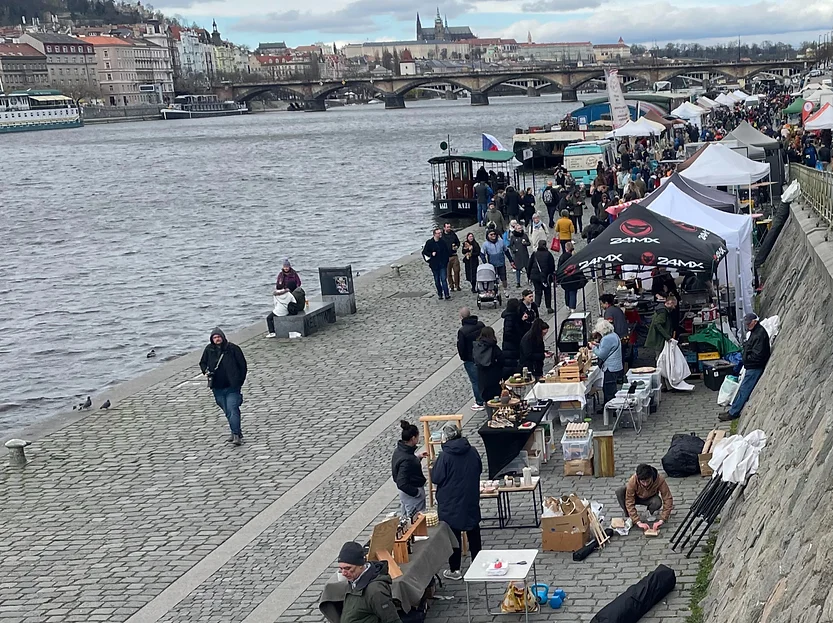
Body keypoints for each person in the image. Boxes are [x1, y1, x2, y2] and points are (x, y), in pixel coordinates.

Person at [432, 423, 483, 580]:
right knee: (473, 530)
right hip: (470, 497)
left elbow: (436, 478)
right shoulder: (472, 451)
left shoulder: (445, 456)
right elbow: (479, 469)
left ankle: (455, 569)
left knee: (453, 534)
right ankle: (478, 563)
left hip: (451, 501)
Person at [199, 328, 248, 446]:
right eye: (215, 337)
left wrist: (238, 381)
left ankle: (236, 435)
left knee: (232, 409)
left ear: (223, 337)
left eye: (219, 337)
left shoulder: (233, 349)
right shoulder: (208, 350)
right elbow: (203, 363)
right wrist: (206, 372)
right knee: (227, 410)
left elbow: (243, 366)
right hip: (217, 387)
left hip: (232, 386)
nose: (217, 339)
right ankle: (236, 431)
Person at [720, 313, 771, 421]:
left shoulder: (759, 334)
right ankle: (733, 410)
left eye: (748, 323)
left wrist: (747, 358)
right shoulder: (756, 332)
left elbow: (758, 355)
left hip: (754, 367)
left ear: (754, 322)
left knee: (744, 389)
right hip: (751, 365)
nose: (747, 325)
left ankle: (733, 413)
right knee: (742, 388)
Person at [337, 541, 400, 623]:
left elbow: (392, 620)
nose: (343, 573)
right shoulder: (354, 579)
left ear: (360, 565)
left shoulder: (375, 591)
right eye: (341, 569)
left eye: (348, 568)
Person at [616, 464, 674, 533]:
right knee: (620, 491)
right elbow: (629, 501)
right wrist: (638, 522)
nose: (645, 484)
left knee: (657, 502)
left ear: (651, 477)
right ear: (638, 479)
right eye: (643, 482)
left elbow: (667, 498)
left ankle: (650, 512)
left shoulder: (659, 479)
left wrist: (662, 520)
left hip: (650, 498)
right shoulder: (633, 480)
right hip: (636, 497)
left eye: (648, 481)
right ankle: (629, 516)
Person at [392, 420, 428, 518]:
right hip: (412, 493)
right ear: (413, 438)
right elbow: (402, 483)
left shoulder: (400, 450)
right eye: (418, 436)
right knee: (416, 522)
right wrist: (416, 493)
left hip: (406, 494)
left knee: (406, 518)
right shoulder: (407, 459)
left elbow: (406, 463)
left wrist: (418, 457)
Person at [457, 307, 486, 411]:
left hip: (471, 359)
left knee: (475, 381)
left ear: (461, 317)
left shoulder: (462, 331)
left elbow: (461, 347)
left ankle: (480, 402)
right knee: (484, 378)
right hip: (483, 356)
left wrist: (464, 358)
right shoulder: (480, 324)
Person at [590, 318, 623, 406]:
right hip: (616, 366)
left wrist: (593, 348)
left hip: (610, 368)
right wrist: (598, 345)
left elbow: (601, 354)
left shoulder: (606, 339)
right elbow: (608, 347)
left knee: (609, 389)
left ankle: (610, 408)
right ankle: (606, 406)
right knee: (608, 387)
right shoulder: (613, 335)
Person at [473, 326, 504, 404]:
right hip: (494, 375)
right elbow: (501, 360)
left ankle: (489, 413)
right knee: (496, 398)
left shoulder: (477, 346)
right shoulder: (493, 347)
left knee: (487, 398)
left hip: (482, 376)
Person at [527, 239, 555, 314]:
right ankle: (548, 307)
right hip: (545, 277)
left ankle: (536, 307)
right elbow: (552, 266)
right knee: (547, 292)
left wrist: (529, 276)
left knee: (537, 292)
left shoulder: (535, 254)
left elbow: (529, 265)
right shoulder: (548, 254)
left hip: (535, 276)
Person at [422, 228, 451, 300]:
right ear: (434, 234)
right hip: (434, 265)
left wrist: (446, 261)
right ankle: (440, 294)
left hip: (442, 264)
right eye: (438, 233)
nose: (440, 234)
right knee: (437, 280)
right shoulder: (429, 242)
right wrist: (431, 254)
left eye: (440, 233)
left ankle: (446, 294)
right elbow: (424, 252)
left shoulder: (442, 242)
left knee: (443, 279)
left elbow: (446, 252)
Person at [557, 242, 586, 312]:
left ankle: (567, 305)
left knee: (567, 291)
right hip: (574, 276)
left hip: (565, 277)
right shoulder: (575, 256)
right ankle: (572, 306)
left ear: (566, 248)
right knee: (573, 292)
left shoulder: (562, 257)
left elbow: (559, 268)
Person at [500, 299, 523, 379]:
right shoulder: (510, 318)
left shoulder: (514, 316)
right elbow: (508, 333)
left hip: (511, 347)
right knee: (511, 367)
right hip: (511, 347)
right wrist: (518, 339)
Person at [508, 222, 531, 288]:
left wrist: (525, 243)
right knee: (518, 269)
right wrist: (514, 249)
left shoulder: (524, 235)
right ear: (515, 229)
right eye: (518, 229)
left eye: (520, 228)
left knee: (527, 268)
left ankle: (529, 279)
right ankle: (518, 282)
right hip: (517, 255)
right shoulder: (513, 236)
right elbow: (510, 245)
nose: (520, 229)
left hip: (524, 254)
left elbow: (529, 243)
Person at [442, 223, 462, 292]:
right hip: (446, 257)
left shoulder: (453, 234)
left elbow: (458, 242)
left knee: (457, 271)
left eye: (449, 227)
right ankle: (451, 286)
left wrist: (456, 246)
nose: (449, 228)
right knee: (448, 273)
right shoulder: (442, 236)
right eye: (447, 227)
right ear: (444, 228)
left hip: (454, 255)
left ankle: (457, 285)